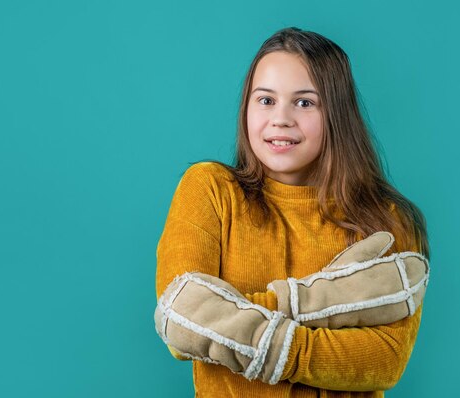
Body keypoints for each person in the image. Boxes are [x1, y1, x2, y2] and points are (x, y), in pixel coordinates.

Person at [154, 26, 431, 398]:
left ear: (336, 113)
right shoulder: (210, 190)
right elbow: (182, 320)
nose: (280, 119)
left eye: (304, 102)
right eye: (265, 100)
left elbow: (384, 361)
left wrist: (239, 319)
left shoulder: (387, 220)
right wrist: (327, 300)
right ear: (247, 108)